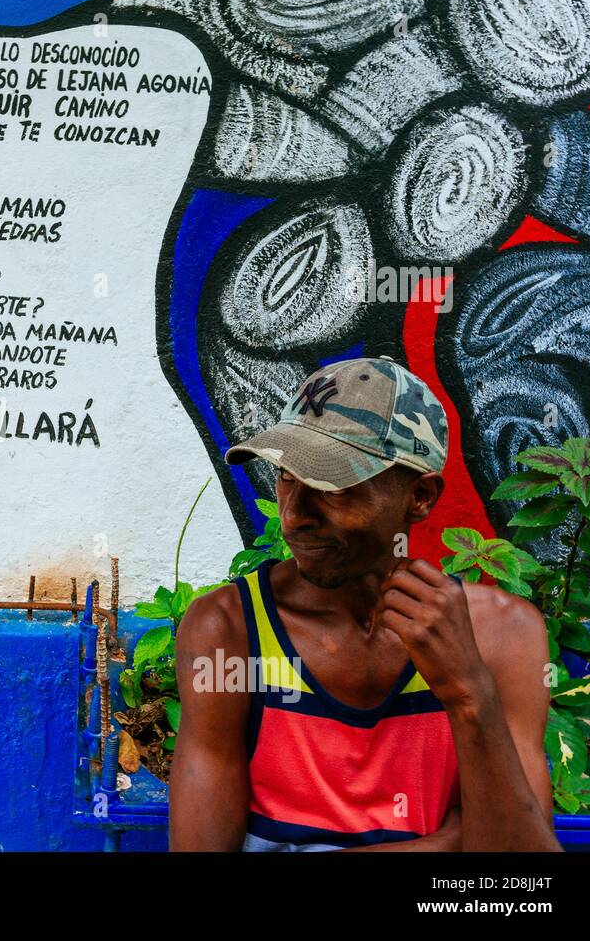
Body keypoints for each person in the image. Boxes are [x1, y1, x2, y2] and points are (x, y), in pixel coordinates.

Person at [169, 355, 560, 851]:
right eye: (287, 476)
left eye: (331, 486)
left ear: (419, 496)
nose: (293, 516)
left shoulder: (502, 635)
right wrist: (445, 844)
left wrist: (467, 692)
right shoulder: (227, 630)